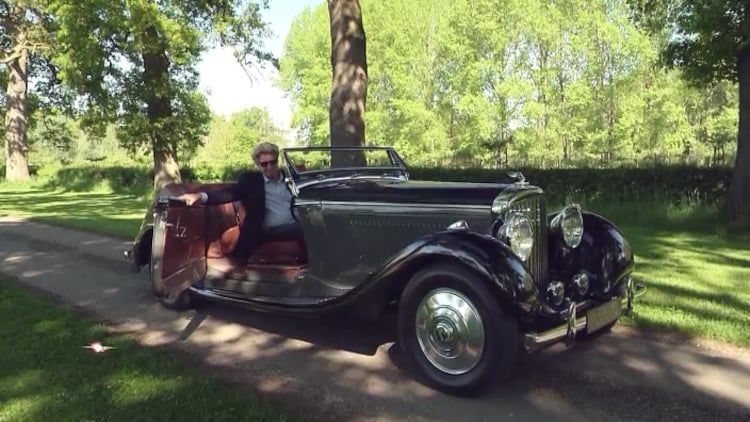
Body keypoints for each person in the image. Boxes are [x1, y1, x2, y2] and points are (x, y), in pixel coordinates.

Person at [177, 142, 303, 265]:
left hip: (299, 221)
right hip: (268, 229)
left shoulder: (290, 178)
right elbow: (230, 193)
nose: (269, 167)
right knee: (308, 230)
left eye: (273, 162)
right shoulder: (251, 181)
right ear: (258, 165)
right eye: (264, 164)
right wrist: (200, 196)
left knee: (314, 225)